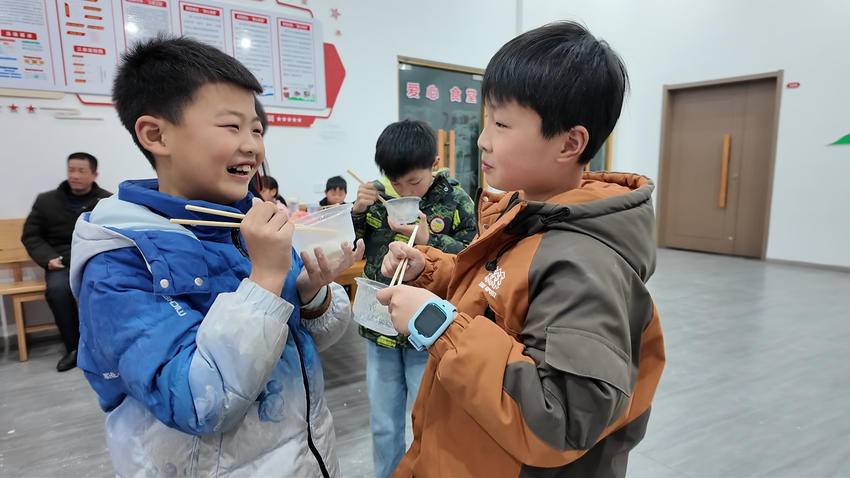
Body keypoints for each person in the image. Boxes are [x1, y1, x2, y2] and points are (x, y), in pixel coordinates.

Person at [376, 22, 665, 477]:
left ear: (570, 143)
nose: (482, 138)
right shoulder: (527, 214)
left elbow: (563, 418)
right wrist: (429, 270)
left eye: (502, 123)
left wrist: (435, 323)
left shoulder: (586, 263)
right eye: (487, 119)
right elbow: (499, 295)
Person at [69, 37, 363, 477]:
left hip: (306, 457)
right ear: (156, 134)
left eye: (257, 130)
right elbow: (199, 402)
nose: (253, 146)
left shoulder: (249, 220)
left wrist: (310, 294)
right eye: (231, 127)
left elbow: (312, 342)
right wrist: (266, 278)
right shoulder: (119, 260)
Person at [351, 119, 476, 478]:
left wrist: (428, 240)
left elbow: (472, 260)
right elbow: (352, 245)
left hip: (430, 331)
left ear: (434, 164)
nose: (406, 191)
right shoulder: (376, 197)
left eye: (415, 182)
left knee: (431, 422)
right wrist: (356, 212)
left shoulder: (456, 200)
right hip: (380, 329)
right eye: (396, 182)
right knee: (384, 425)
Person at [21, 152, 111, 371]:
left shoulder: (107, 201)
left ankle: (109, 347)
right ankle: (74, 349)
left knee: (112, 285)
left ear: (94, 174)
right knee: (58, 290)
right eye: (71, 170)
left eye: (81, 171)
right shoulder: (46, 201)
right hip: (60, 261)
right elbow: (31, 236)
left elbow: (114, 233)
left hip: (92, 258)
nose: (75, 175)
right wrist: (47, 258)